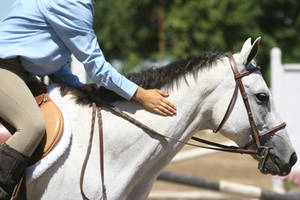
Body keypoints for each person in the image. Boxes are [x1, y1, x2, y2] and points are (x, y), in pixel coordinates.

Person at [0, 0, 176, 199]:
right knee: (32, 125)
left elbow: (52, 58)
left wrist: (77, 85)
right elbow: (97, 67)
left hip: (23, 72)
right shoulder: (71, 2)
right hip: (5, 68)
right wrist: (139, 94)